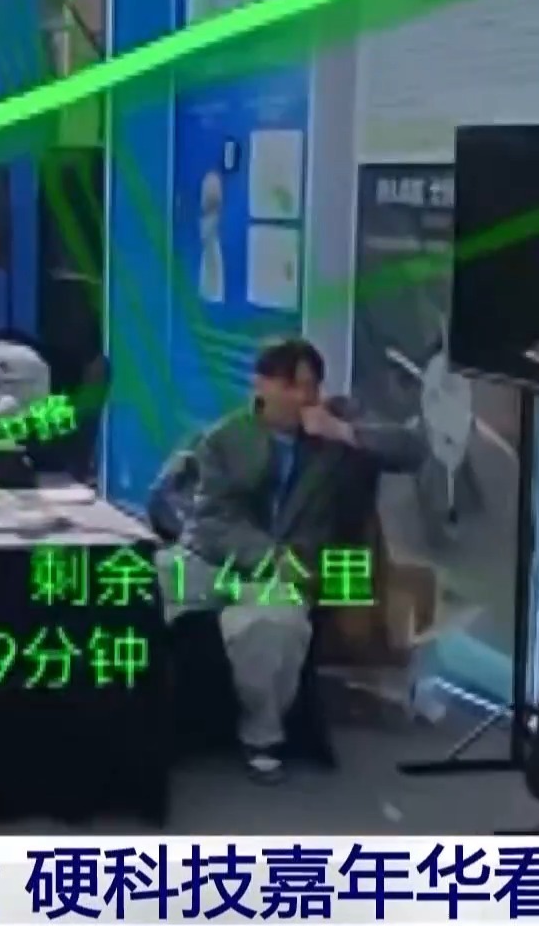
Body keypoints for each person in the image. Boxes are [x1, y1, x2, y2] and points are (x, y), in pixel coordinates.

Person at [155, 336, 423, 783]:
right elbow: (213, 521)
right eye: (292, 386)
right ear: (261, 384)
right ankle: (140, 719)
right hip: (216, 559)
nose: (304, 398)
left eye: (311, 386)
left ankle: (261, 734)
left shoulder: (335, 428)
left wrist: (343, 432)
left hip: (294, 569)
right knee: (140, 590)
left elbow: (413, 450)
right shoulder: (225, 438)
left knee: (272, 626)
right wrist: (268, 556)